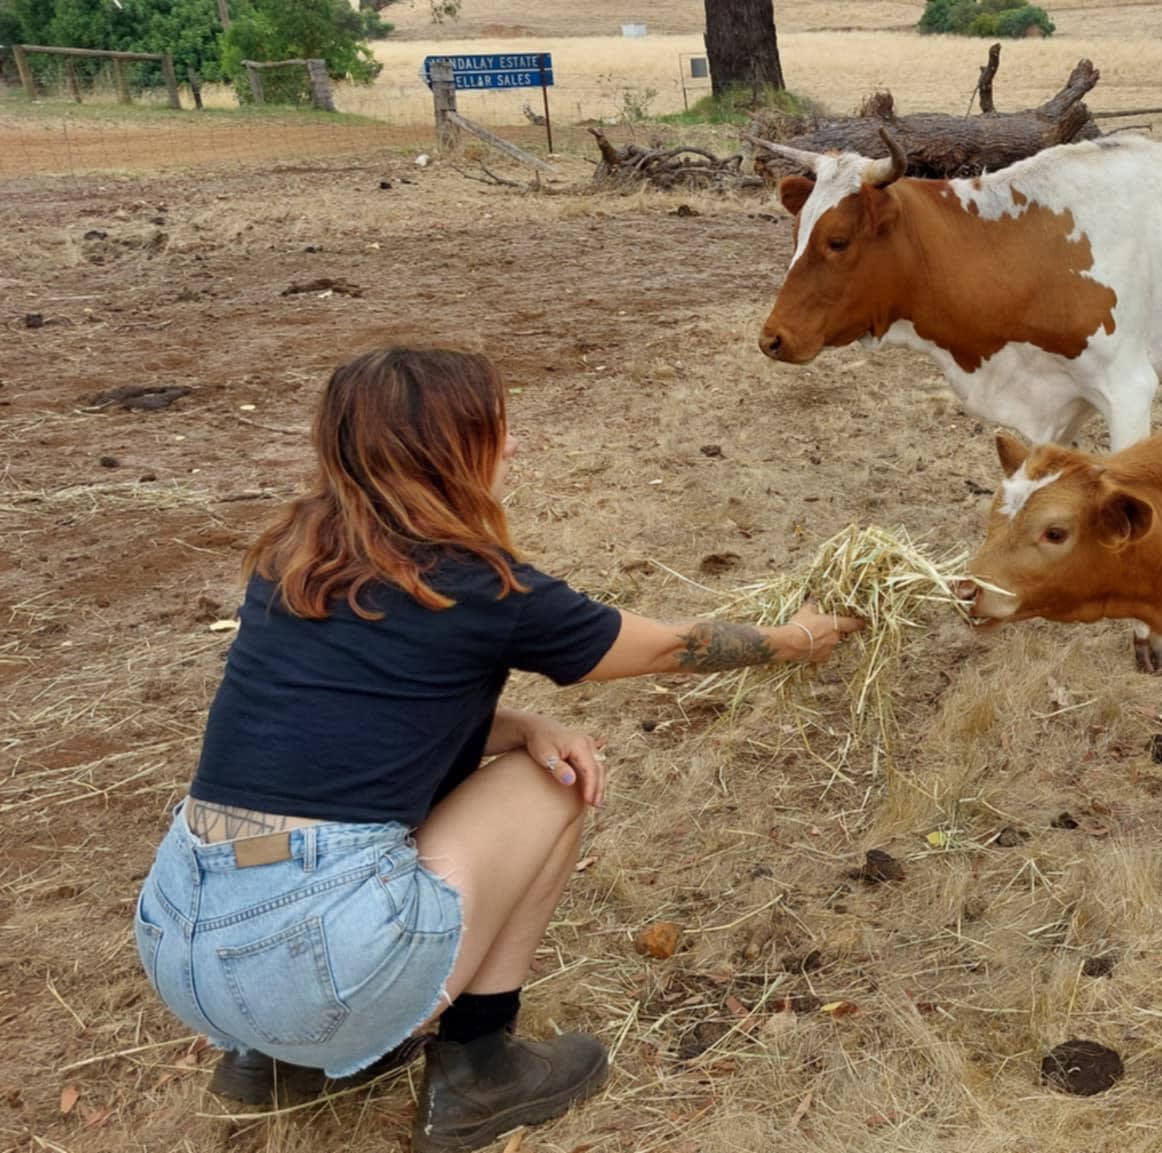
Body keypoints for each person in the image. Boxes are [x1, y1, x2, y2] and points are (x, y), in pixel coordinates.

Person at [131, 348, 862, 1153]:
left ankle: (272, 1060)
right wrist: (793, 639)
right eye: (494, 427)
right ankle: (480, 1064)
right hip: (318, 962)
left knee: (492, 765)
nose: (511, 444)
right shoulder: (479, 585)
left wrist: (517, 724)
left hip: (179, 938)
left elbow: (364, 729)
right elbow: (664, 647)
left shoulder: (295, 554)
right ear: (445, 449)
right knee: (558, 781)